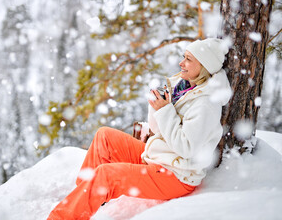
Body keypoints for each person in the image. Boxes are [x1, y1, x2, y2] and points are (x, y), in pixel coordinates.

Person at [47, 38, 232, 220]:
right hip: (160, 158)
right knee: (105, 137)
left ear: (204, 66)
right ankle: (83, 195)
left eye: (188, 59)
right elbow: (157, 129)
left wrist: (166, 111)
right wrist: (156, 106)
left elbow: (186, 148)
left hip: (177, 175)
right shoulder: (183, 88)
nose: (181, 63)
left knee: (107, 175)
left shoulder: (205, 104)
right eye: (184, 57)